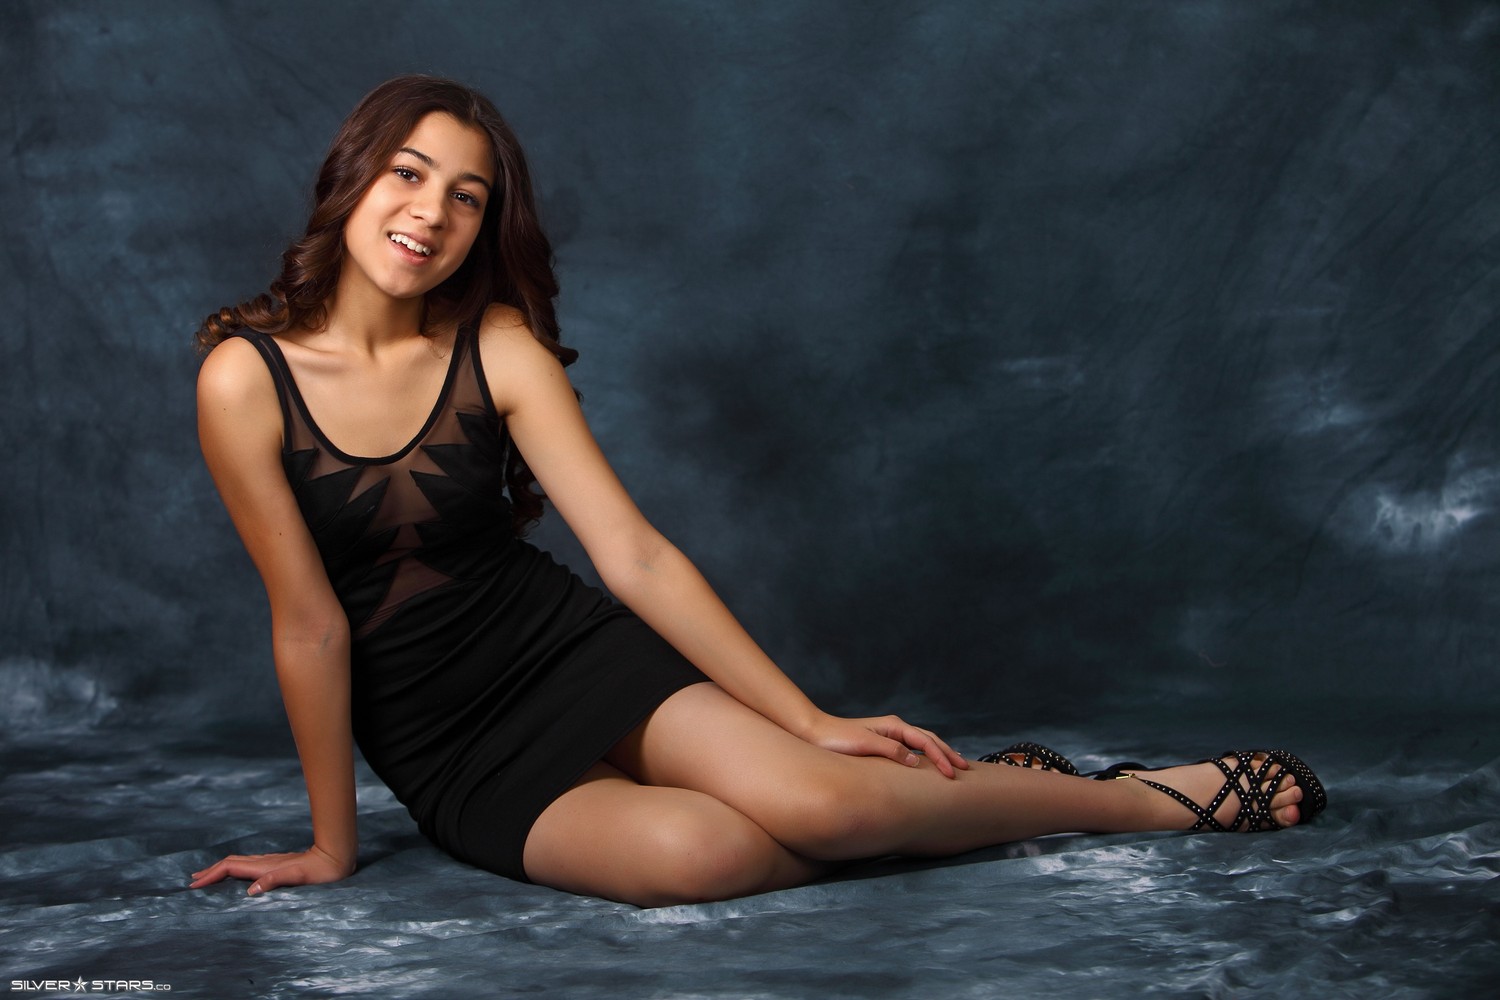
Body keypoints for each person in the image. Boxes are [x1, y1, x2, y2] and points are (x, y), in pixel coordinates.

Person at [187, 74, 1326, 908]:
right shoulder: (245, 379)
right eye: (409, 173)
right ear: (353, 174)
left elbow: (635, 555)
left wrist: (809, 721)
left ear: (485, 226)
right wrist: (333, 842)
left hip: (562, 652)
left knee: (829, 802)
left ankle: (1138, 799)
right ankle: (988, 797)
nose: (432, 212)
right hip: (447, 743)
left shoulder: (496, 345)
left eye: (468, 196)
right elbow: (311, 624)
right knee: (704, 857)